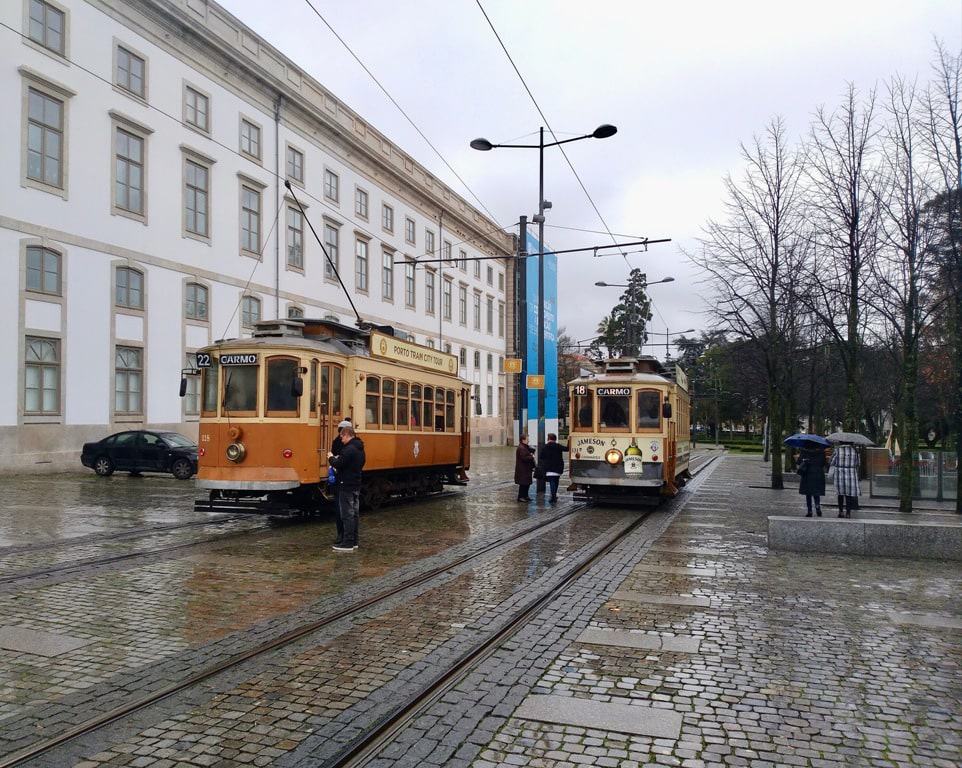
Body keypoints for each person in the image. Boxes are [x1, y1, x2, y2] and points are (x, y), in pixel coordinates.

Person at [328, 425, 365, 551]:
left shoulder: (349, 449)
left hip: (346, 485)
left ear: (347, 435)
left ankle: (348, 543)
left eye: (342, 436)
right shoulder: (360, 448)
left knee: (347, 514)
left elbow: (338, 463)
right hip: (355, 484)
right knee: (354, 514)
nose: (341, 439)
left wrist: (330, 457)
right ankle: (354, 541)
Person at [328, 419, 353, 544]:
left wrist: (332, 460)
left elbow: (338, 462)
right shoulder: (340, 443)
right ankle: (344, 535)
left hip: (343, 481)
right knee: (344, 509)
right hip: (342, 480)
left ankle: (344, 536)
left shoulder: (351, 446)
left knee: (343, 509)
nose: (340, 435)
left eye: (342, 432)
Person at [829, 442, 860, 518]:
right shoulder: (855, 451)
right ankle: (848, 513)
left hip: (840, 474)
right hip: (851, 474)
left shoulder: (838, 450)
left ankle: (841, 512)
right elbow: (858, 463)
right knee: (849, 494)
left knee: (840, 494)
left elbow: (831, 462)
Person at [796, 443, 826, 517]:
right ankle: (817, 506)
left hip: (807, 473)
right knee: (816, 492)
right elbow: (823, 463)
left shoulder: (804, 451)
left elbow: (799, 462)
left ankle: (809, 511)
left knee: (808, 493)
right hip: (818, 473)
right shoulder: (821, 452)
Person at [540, 433, 567, 503]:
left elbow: (541, 457)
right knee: (556, 481)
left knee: (552, 482)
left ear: (548, 439)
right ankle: (554, 495)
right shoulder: (558, 446)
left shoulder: (545, 447)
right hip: (558, 467)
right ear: (555, 439)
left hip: (549, 467)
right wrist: (569, 440)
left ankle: (553, 497)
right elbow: (567, 449)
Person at [514, 434, 536, 502]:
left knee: (527, 483)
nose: (528, 440)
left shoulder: (525, 447)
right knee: (523, 484)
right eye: (527, 439)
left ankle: (525, 496)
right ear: (523, 440)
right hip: (522, 470)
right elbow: (524, 458)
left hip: (526, 469)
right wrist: (532, 456)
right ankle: (521, 497)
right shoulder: (521, 448)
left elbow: (529, 452)